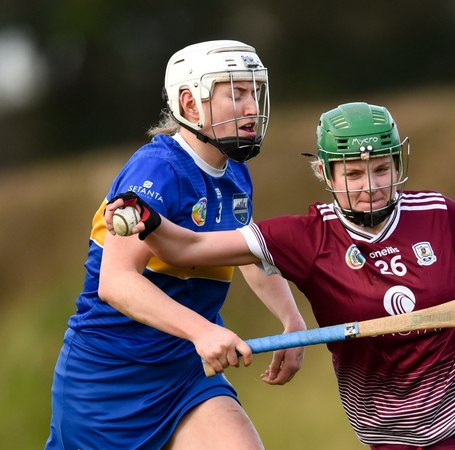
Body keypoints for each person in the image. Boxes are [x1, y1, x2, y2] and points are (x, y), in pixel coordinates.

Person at [105, 102, 455, 449]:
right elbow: (190, 244)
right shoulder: (307, 237)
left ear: (397, 164)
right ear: (327, 175)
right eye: (353, 174)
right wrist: (144, 217)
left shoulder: (437, 216)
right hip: (394, 438)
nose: (369, 185)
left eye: (380, 168)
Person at [46, 40, 307, 450]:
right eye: (236, 94)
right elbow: (115, 282)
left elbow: (245, 251)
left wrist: (291, 320)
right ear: (190, 104)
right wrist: (202, 331)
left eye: (254, 93)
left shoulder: (235, 173)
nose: (252, 107)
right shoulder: (158, 170)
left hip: (186, 374)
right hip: (109, 379)